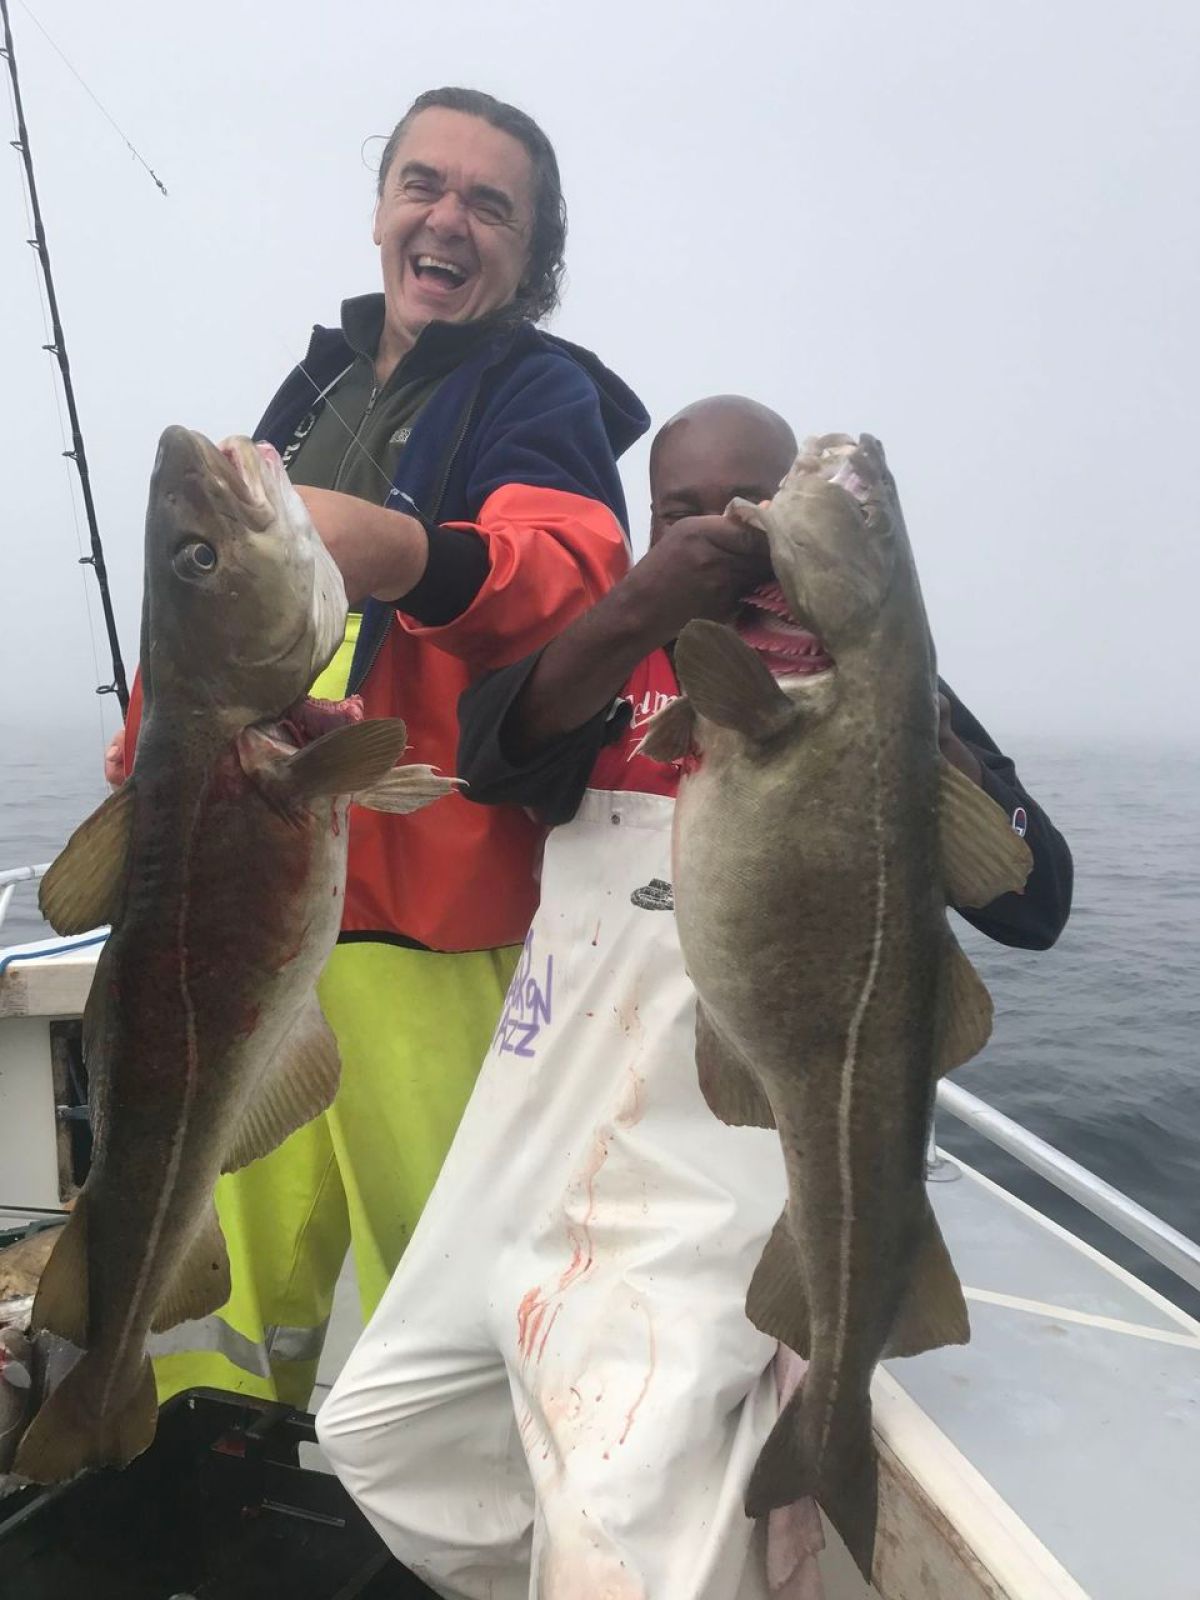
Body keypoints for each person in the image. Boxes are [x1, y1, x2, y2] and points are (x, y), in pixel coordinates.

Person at [316, 396, 1074, 1599]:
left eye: (749, 500)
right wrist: (641, 604)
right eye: (682, 510)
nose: (724, 526)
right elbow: (493, 753)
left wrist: (934, 740)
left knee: (620, 1540)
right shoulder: (604, 663)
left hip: (729, 1164)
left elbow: (1039, 902)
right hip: (543, 1145)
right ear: (648, 529)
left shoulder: (884, 675)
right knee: (378, 1432)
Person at [117, 87, 648, 1408]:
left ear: (531, 254)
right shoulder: (317, 392)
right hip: (255, 900)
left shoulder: (539, 394)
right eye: (423, 184)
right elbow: (204, 626)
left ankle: (459, 1493)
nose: (448, 218)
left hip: (435, 924)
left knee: (448, 1272)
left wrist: (409, 552)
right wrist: (143, 769)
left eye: (490, 204)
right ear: (378, 211)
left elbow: (578, 581)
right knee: (234, 1274)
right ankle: (190, 1448)